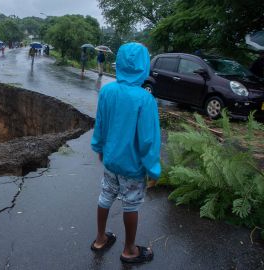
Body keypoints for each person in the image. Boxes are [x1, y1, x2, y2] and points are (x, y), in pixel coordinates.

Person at [90, 42, 160, 264]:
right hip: (133, 166)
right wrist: (153, 169)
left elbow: (100, 124)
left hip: (111, 161)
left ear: (119, 62)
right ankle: (130, 250)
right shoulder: (145, 99)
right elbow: (148, 139)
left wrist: (100, 148)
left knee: (105, 196)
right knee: (131, 204)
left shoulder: (107, 91)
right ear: (143, 65)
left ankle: (100, 238)